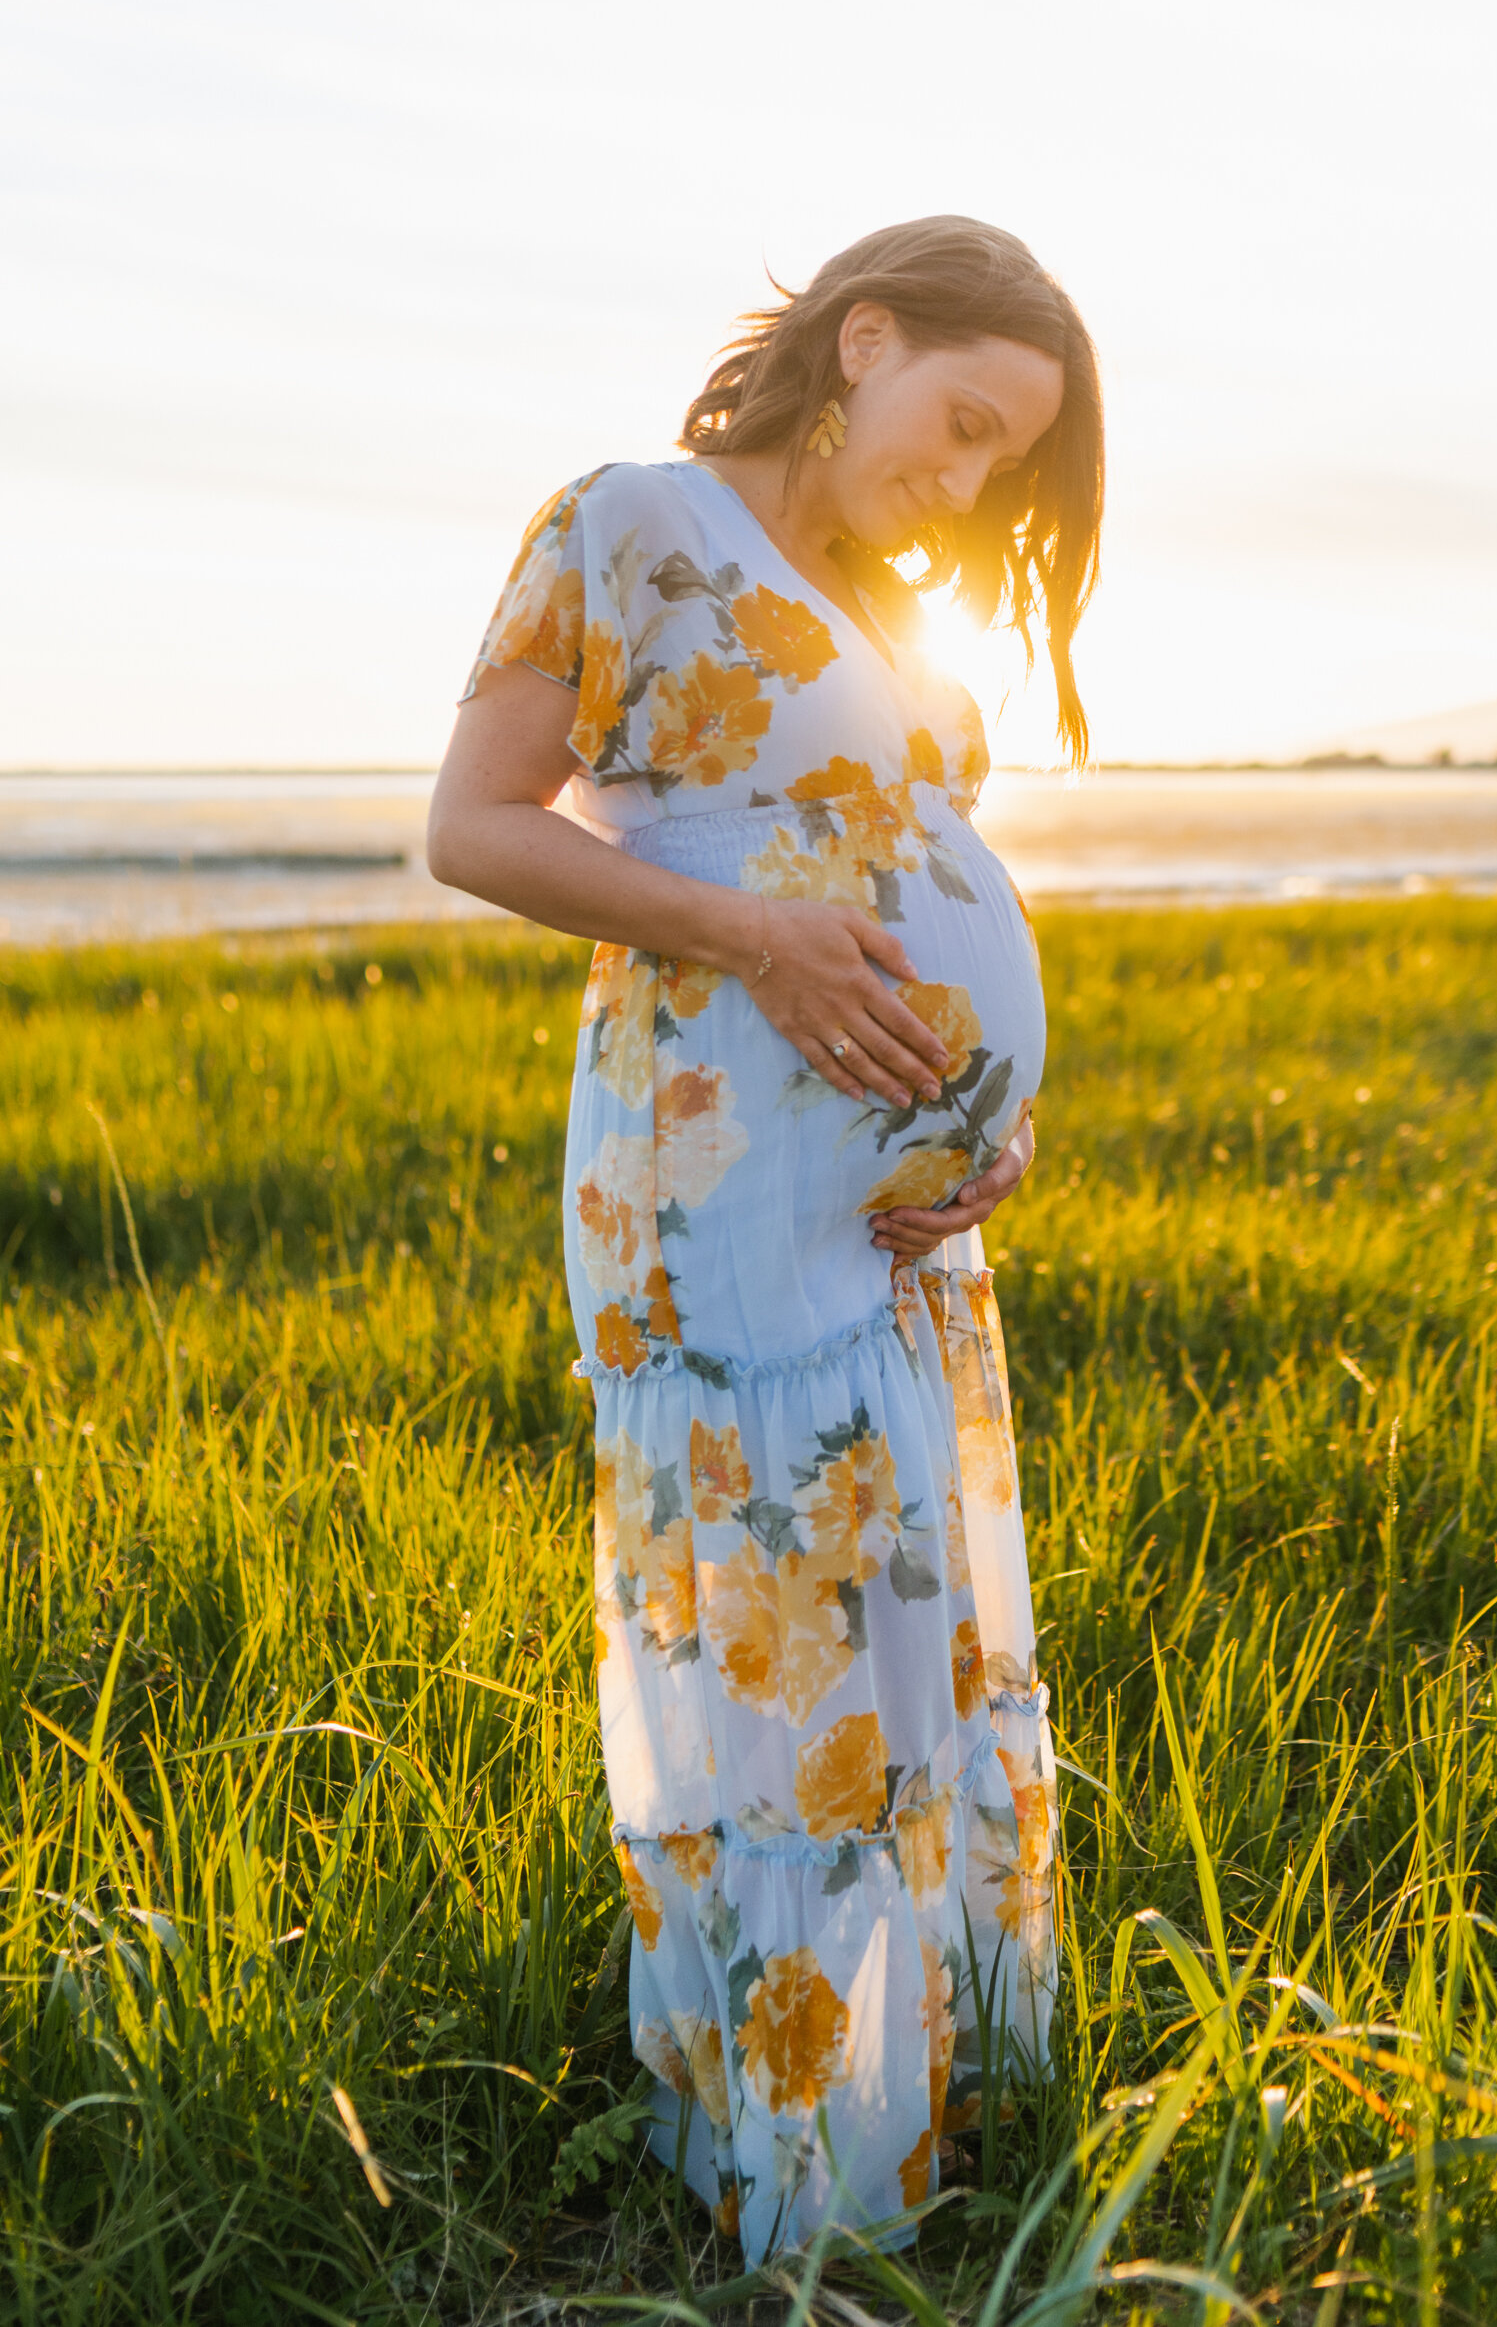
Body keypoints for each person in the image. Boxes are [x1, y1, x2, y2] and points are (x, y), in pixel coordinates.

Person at [427, 215, 1104, 2264]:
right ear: (863, 338)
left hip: (896, 1238)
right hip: (709, 1194)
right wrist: (757, 934)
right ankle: (791, 2175)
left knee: (908, 1649)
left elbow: (909, 880)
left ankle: (928, 2113)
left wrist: (982, 1120)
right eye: (965, 420)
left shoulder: (882, 603)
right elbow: (473, 823)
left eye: (1010, 462)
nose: (971, 478)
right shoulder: (627, 524)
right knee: (772, 1651)